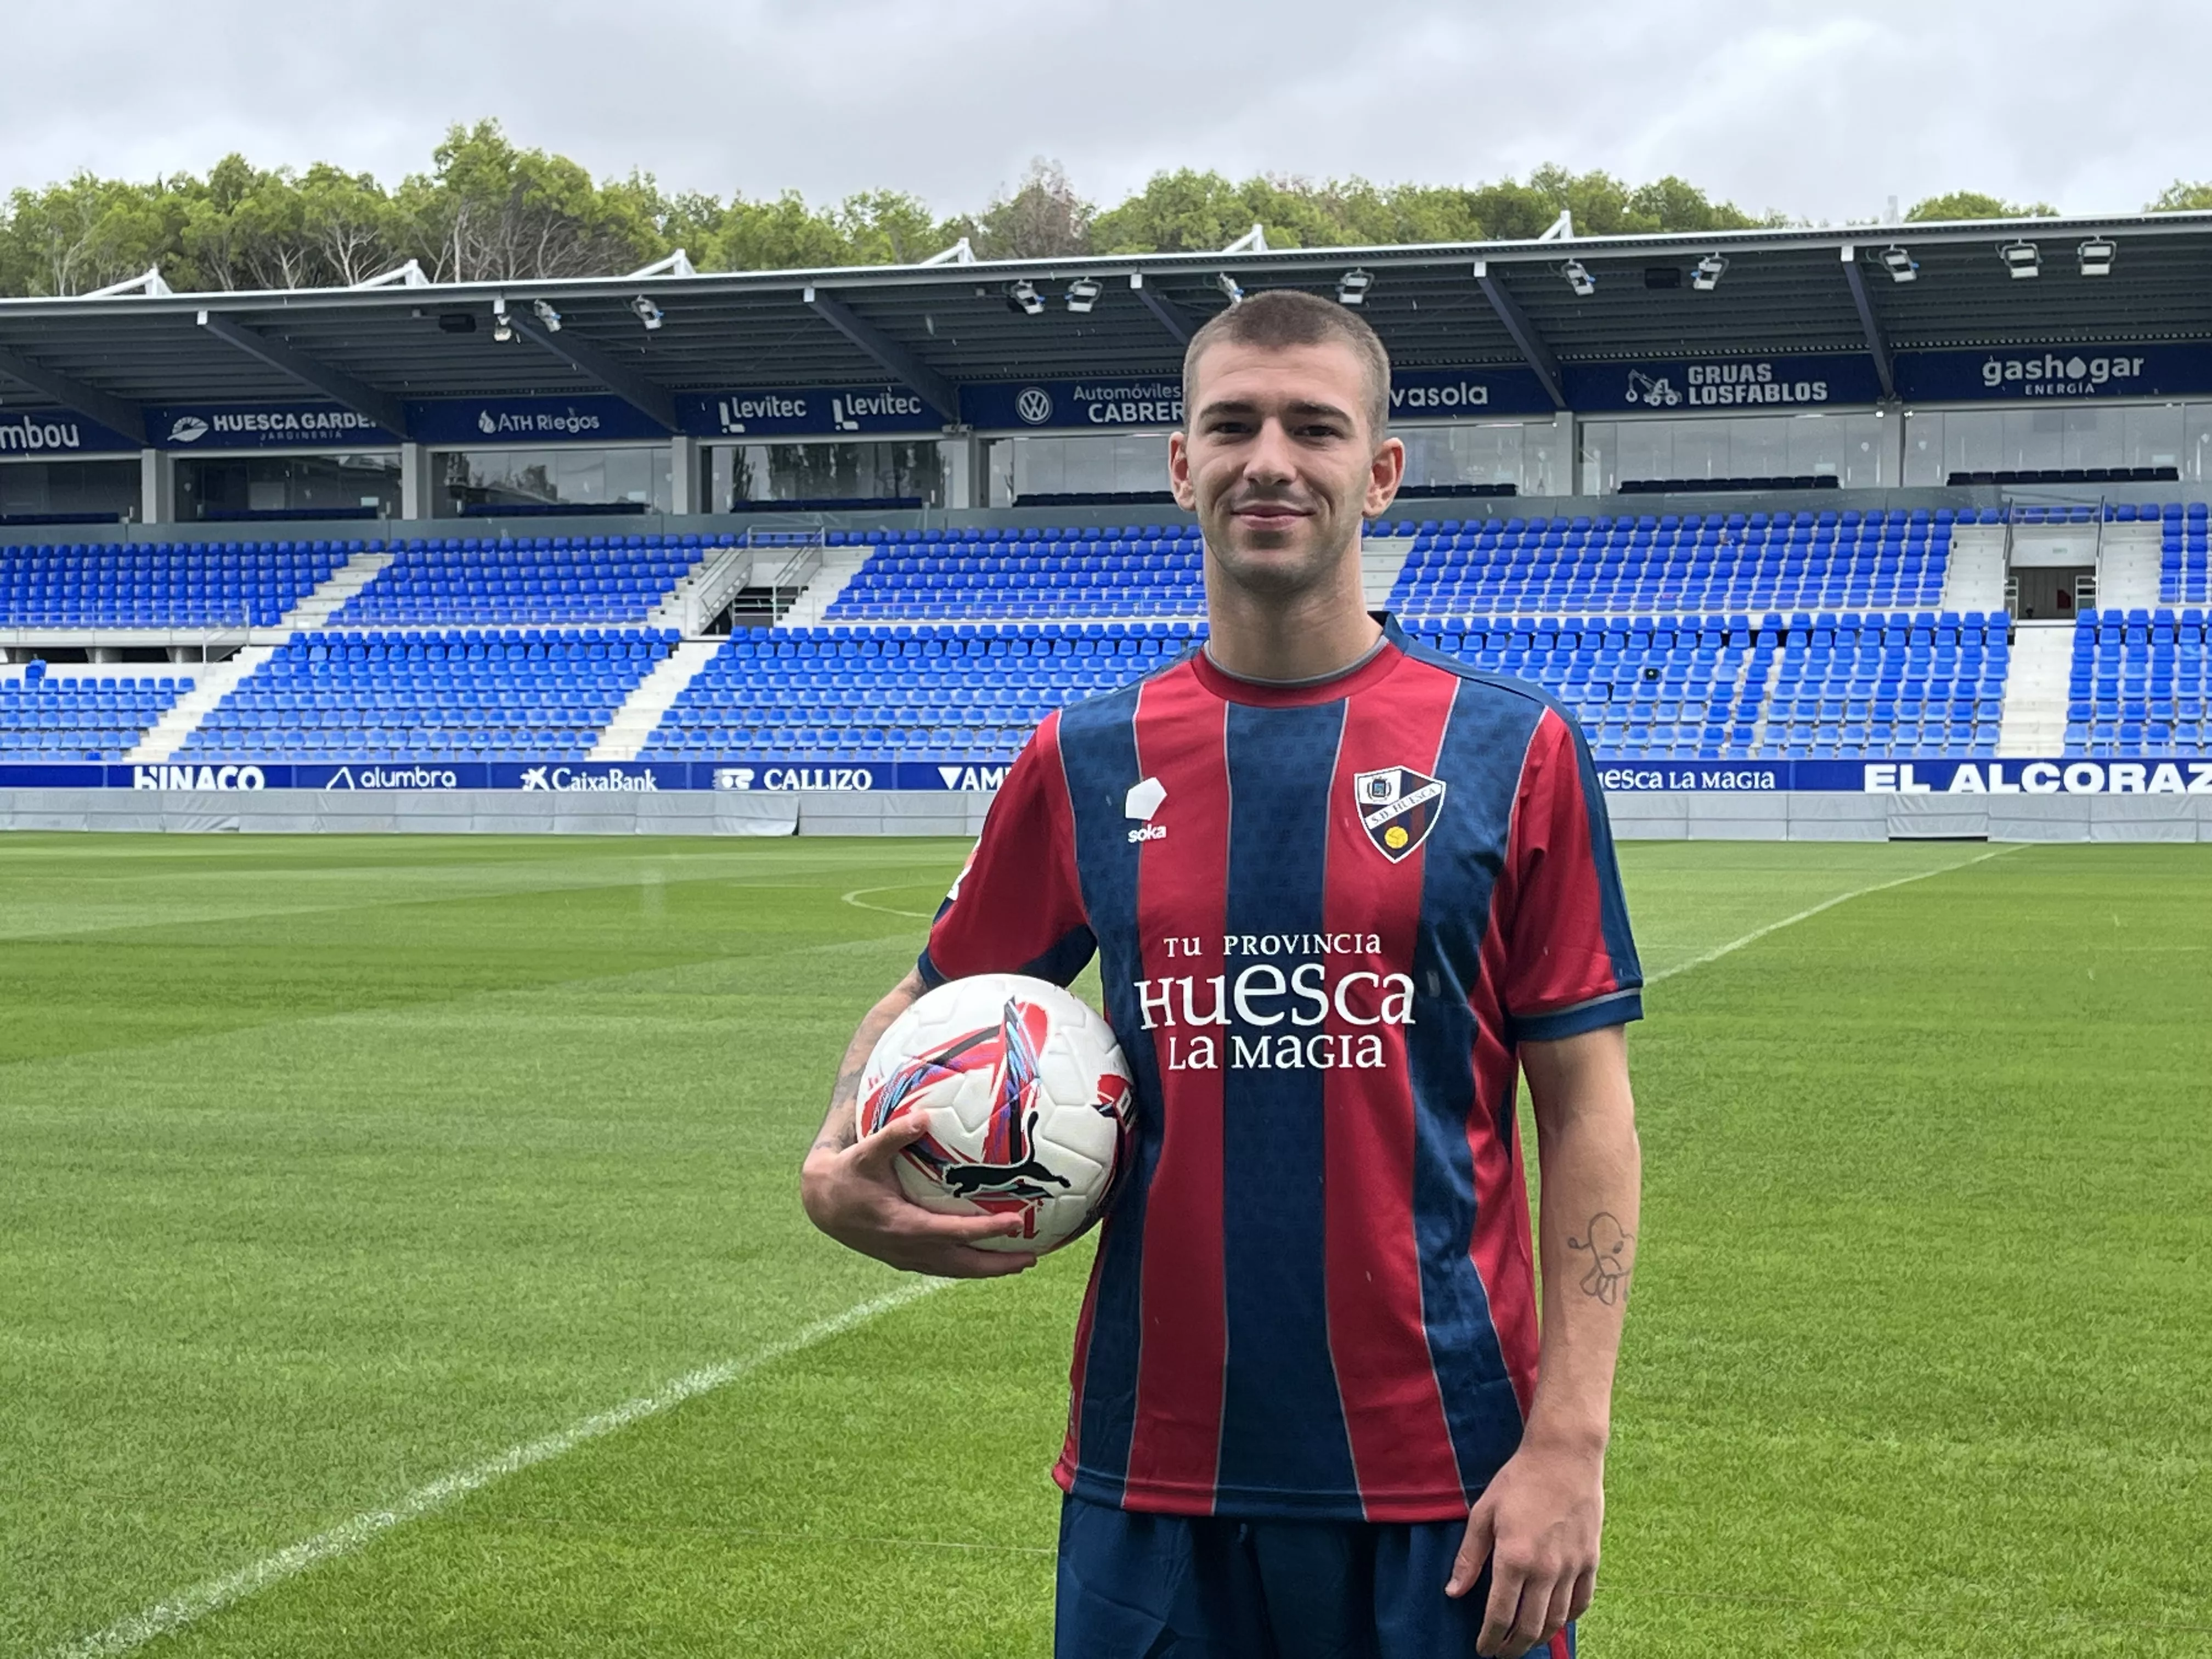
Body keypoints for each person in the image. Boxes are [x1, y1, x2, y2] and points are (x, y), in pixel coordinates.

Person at [803, 289, 1644, 1659]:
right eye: (1232, 424)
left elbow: (1589, 1114)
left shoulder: (1513, 751)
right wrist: (832, 1156)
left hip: (1450, 1474)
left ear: (1378, 472)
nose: (1271, 458)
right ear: (1180, 463)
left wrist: (1571, 1442)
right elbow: (930, 997)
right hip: (1156, 1474)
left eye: (1315, 427)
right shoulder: (1085, 757)